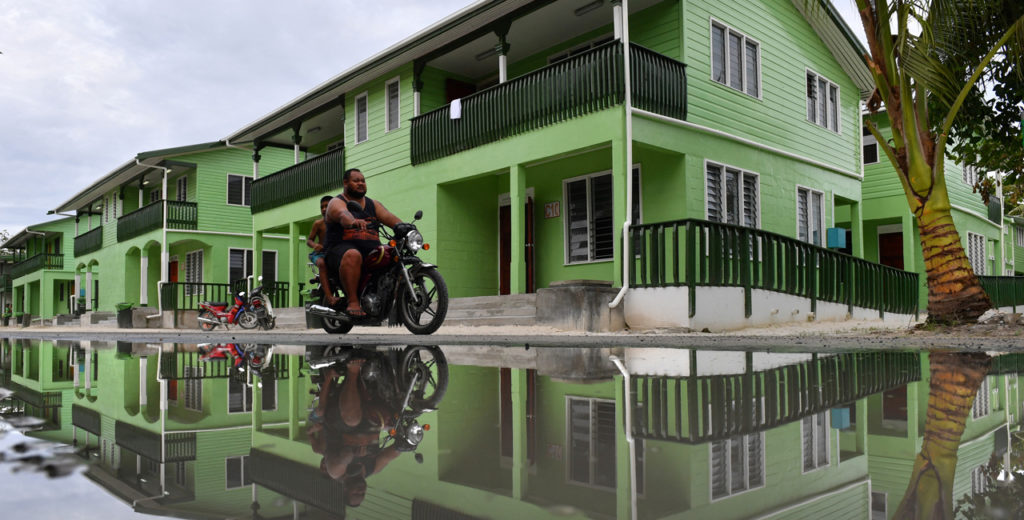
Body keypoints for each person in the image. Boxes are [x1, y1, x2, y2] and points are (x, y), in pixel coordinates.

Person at [307, 356, 401, 507]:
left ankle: (352, 372)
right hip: (372, 420)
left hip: (340, 421)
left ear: (345, 490)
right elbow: (389, 456)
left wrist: (352, 456)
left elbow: (344, 456)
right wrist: (405, 445)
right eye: (362, 493)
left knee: (352, 419)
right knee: (398, 418)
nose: (360, 490)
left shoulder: (335, 472)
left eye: (356, 493)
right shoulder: (372, 469)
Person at [324, 168, 402, 317]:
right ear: (345, 183)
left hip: (370, 250)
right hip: (339, 250)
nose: (361, 183)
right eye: (356, 181)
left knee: (393, 254)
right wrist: (352, 221)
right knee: (353, 255)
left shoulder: (373, 204)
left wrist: (407, 228)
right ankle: (353, 301)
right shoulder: (336, 202)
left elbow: (389, 217)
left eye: (363, 181)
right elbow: (342, 214)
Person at [307, 195, 336, 305]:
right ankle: (329, 297)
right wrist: (315, 245)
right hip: (319, 254)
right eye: (322, 207)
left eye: (327, 206)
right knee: (321, 263)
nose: (324, 209)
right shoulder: (318, 224)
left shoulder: (339, 222)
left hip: (333, 253)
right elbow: (309, 240)